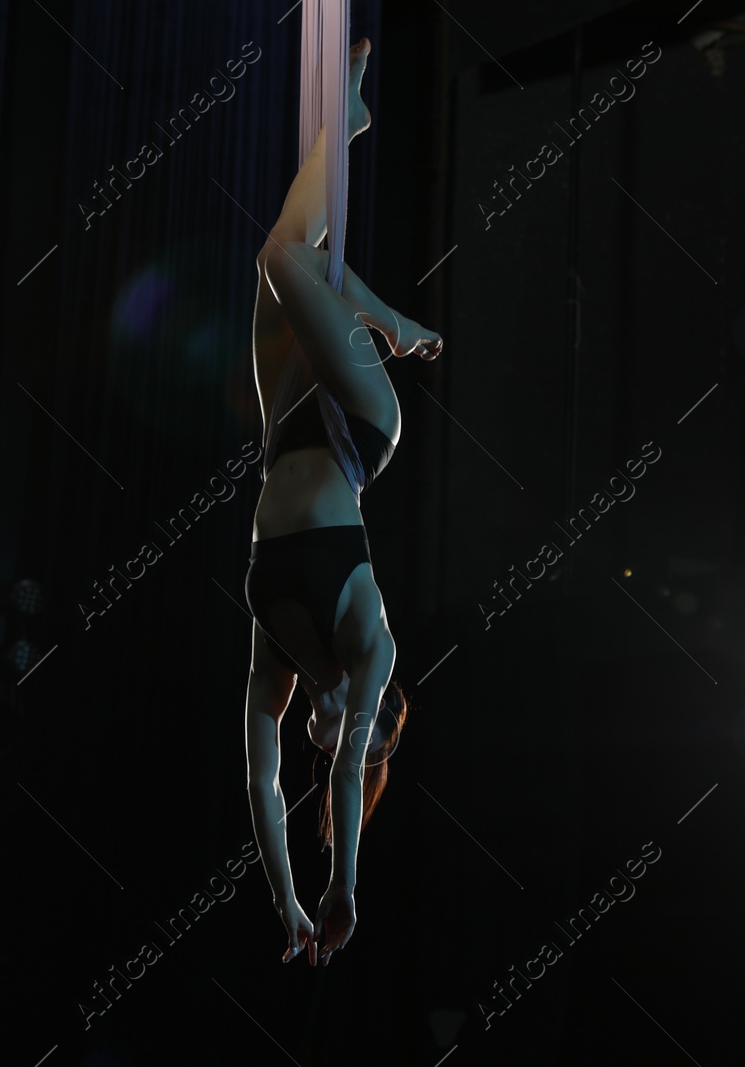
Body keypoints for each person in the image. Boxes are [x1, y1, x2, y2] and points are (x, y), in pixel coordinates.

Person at [243, 37, 441, 968]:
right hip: (362, 428)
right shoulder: (374, 651)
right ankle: (392, 323)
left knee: (283, 260)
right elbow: (356, 747)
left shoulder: (279, 652)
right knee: (290, 254)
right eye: (346, 747)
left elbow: (259, 775)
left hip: (285, 431)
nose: (327, 743)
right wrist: (340, 891)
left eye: (319, 745)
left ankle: (345, 127)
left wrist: (287, 903)